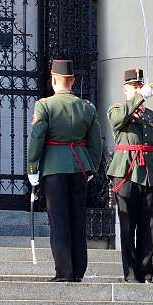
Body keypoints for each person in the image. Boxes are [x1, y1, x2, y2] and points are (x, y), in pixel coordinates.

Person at [27, 59, 102, 282]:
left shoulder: (45, 105)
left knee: (59, 221)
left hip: (54, 168)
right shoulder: (87, 107)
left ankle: (64, 272)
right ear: (72, 81)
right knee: (77, 219)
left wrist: (33, 166)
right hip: (79, 166)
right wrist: (91, 167)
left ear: (53, 80)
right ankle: (78, 271)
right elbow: (95, 142)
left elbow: (37, 136)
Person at [107, 69, 153, 283]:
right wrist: (139, 97)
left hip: (150, 174)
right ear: (126, 90)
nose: (137, 91)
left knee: (148, 226)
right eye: (133, 88)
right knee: (127, 226)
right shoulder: (117, 109)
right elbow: (117, 121)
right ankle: (131, 273)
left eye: (139, 87)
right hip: (125, 172)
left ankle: (146, 272)